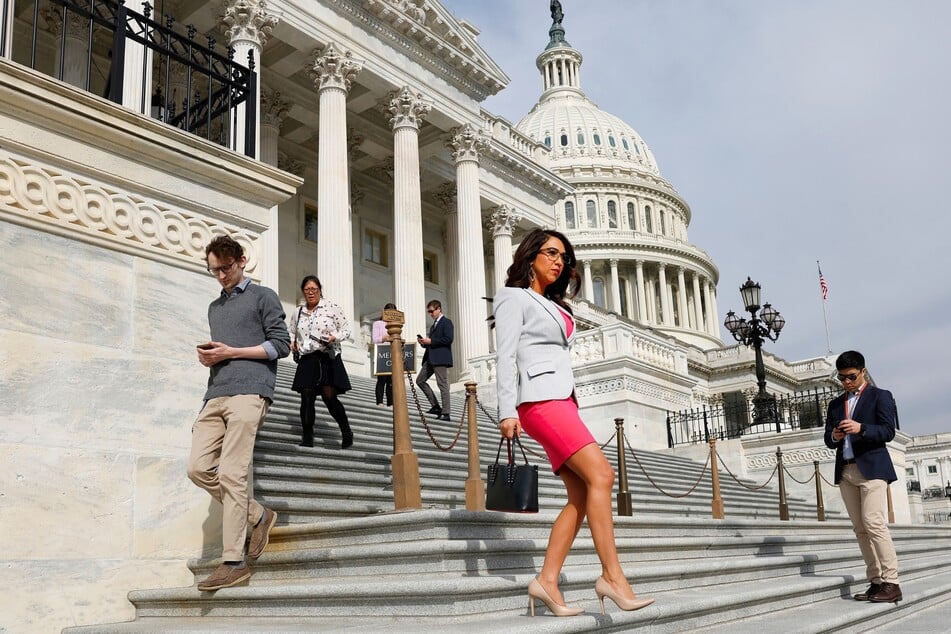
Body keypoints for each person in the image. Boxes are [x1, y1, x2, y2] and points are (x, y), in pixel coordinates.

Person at [495, 228, 654, 617]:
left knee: (581, 496)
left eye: (563, 257)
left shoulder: (558, 306)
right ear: (530, 256)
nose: (558, 261)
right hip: (539, 401)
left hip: (563, 400)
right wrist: (506, 410)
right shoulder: (513, 298)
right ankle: (612, 577)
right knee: (602, 475)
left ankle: (547, 582)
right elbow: (505, 355)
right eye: (550, 253)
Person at [187, 235, 289, 592]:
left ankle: (233, 562)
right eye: (214, 270)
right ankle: (258, 514)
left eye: (226, 268)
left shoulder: (264, 297)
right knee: (198, 467)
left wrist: (233, 351)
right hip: (216, 393)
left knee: (232, 472)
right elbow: (223, 355)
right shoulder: (215, 308)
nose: (221, 276)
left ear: (242, 261)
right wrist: (212, 358)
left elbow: (281, 345)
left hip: (251, 390)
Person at [824, 350, 902, 603]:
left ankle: (892, 582)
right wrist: (834, 436)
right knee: (860, 529)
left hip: (872, 469)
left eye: (851, 377)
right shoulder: (836, 404)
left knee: (874, 523)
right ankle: (876, 581)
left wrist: (861, 428)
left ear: (863, 371)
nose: (846, 382)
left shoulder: (880, 396)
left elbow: (888, 431)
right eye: (842, 378)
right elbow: (827, 438)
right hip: (846, 470)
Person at [289, 276, 354, 449]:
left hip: (328, 355)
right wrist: (292, 342)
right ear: (303, 291)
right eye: (307, 290)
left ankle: (346, 430)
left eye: (314, 289)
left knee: (329, 396)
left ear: (320, 290)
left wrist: (335, 337)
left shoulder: (331, 307)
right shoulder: (298, 312)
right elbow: (292, 331)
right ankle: (307, 436)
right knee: (306, 396)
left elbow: (347, 329)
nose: (310, 293)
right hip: (307, 357)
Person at [415, 299, 453, 421]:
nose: (430, 314)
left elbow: (448, 339)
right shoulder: (433, 326)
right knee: (420, 380)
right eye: (428, 312)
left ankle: (446, 413)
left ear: (439, 309)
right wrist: (424, 343)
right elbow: (431, 343)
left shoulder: (447, 322)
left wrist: (431, 341)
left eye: (432, 311)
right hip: (430, 358)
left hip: (441, 358)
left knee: (442, 384)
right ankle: (436, 406)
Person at [372, 303, 397, 407]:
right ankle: (380, 401)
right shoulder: (378, 323)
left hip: (392, 354)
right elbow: (374, 339)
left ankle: (390, 403)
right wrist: (384, 338)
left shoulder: (396, 325)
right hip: (382, 354)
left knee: (391, 381)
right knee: (381, 380)